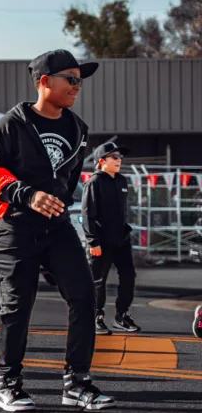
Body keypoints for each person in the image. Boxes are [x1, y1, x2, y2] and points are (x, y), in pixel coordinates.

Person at [0, 49, 114, 413]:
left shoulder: (78, 129)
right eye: (70, 78)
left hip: (56, 226)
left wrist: (53, 204)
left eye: (80, 79)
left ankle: (77, 383)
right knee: (17, 307)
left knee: (85, 296)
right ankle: (7, 384)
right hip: (14, 228)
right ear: (44, 82)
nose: (77, 86)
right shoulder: (13, 123)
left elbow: (66, 180)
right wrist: (28, 195)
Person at [84, 141, 139, 334]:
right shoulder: (94, 182)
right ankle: (96, 317)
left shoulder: (121, 181)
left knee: (129, 277)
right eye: (114, 157)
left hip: (121, 240)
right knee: (98, 281)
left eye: (120, 157)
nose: (119, 160)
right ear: (102, 161)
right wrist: (93, 241)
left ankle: (121, 316)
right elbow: (88, 214)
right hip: (101, 242)